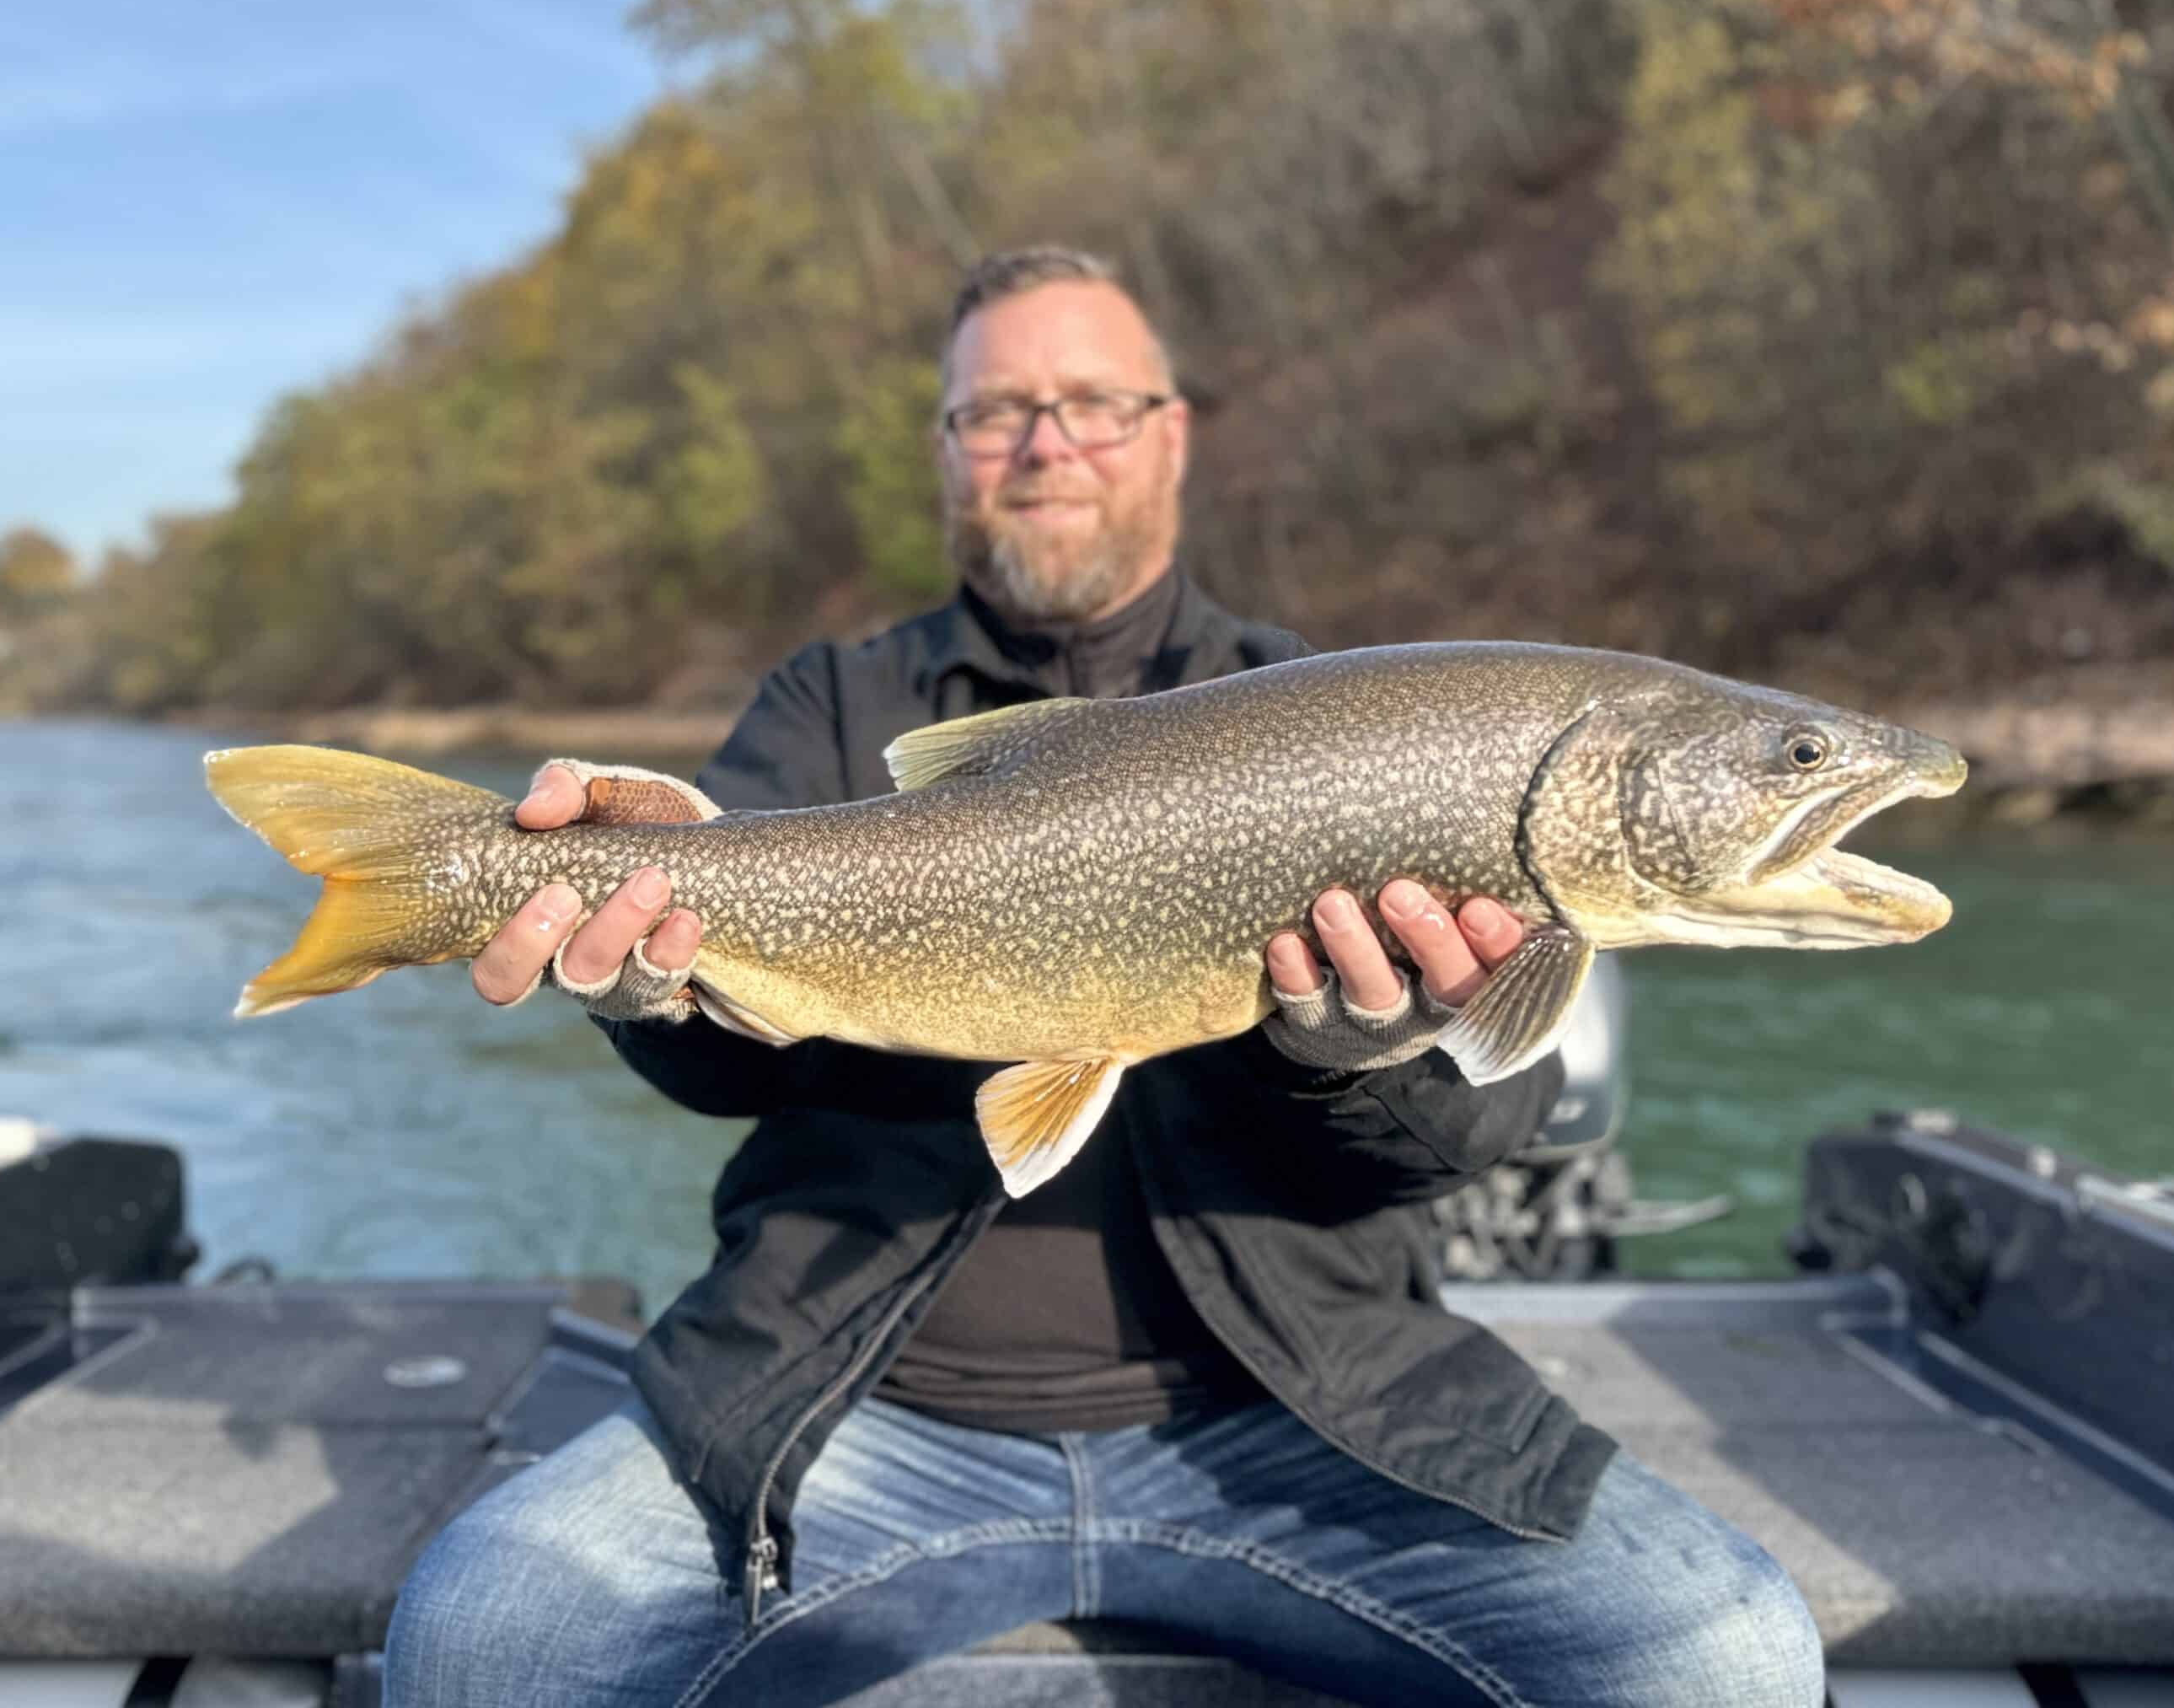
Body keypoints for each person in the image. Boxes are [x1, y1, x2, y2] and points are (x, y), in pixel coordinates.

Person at [384, 248, 1823, 1706]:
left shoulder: (1356, 720)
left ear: (1172, 432)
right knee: (481, 1642)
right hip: (852, 1416)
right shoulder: (827, 707)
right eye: (996, 410)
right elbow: (718, 1056)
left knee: (1736, 1659)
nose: (1046, 441)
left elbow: (1456, 1149)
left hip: (1301, 1425)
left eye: (1091, 402)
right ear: (947, 450)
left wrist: (1338, 1055)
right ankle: (414, 874)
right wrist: (647, 981)